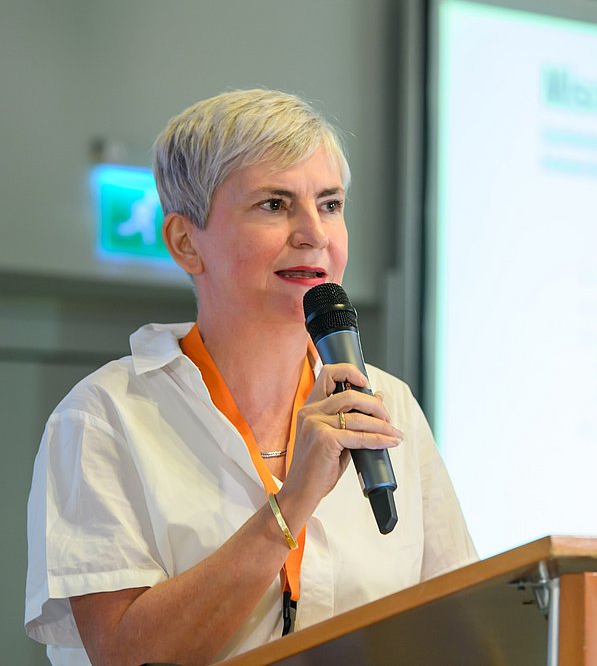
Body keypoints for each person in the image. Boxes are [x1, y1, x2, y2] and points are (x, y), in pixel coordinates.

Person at [24, 89, 477, 665]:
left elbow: (465, 621)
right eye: (275, 204)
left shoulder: (390, 404)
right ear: (187, 242)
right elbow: (125, 654)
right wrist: (291, 504)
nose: (314, 233)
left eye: (330, 204)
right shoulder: (104, 416)